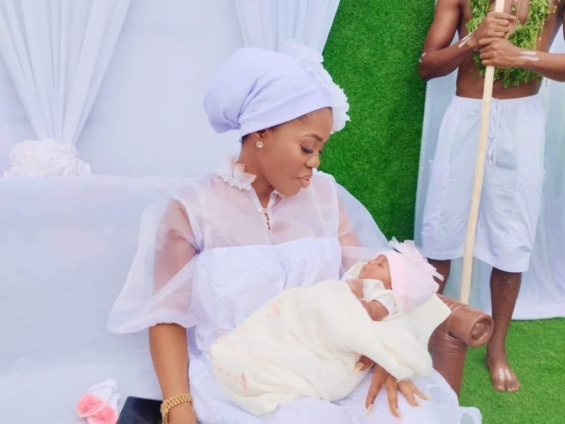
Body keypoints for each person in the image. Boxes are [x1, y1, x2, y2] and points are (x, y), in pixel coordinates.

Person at [108, 41, 481, 423]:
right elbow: (167, 318)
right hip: (244, 386)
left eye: (320, 150)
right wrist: (177, 406)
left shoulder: (325, 197)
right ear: (261, 132)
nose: (315, 162)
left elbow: (370, 282)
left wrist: (389, 351)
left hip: (337, 374)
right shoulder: (192, 209)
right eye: (306, 148)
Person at [418, 0, 565, 392]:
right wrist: (473, 39)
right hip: (465, 114)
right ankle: (424, 332)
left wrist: (522, 56)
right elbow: (427, 65)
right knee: (441, 226)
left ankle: (496, 346)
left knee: (513, 234)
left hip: (523, 121)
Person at [209, 240, 451, 417]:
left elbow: (366, 314)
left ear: (394, 286)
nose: (369, 261)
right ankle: (250, 353)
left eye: (379, 264)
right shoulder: (362, 283)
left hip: (338, 341)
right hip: (312, 322)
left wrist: (354, 296)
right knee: (291, 308)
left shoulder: (386, 298)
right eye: (375, 259)